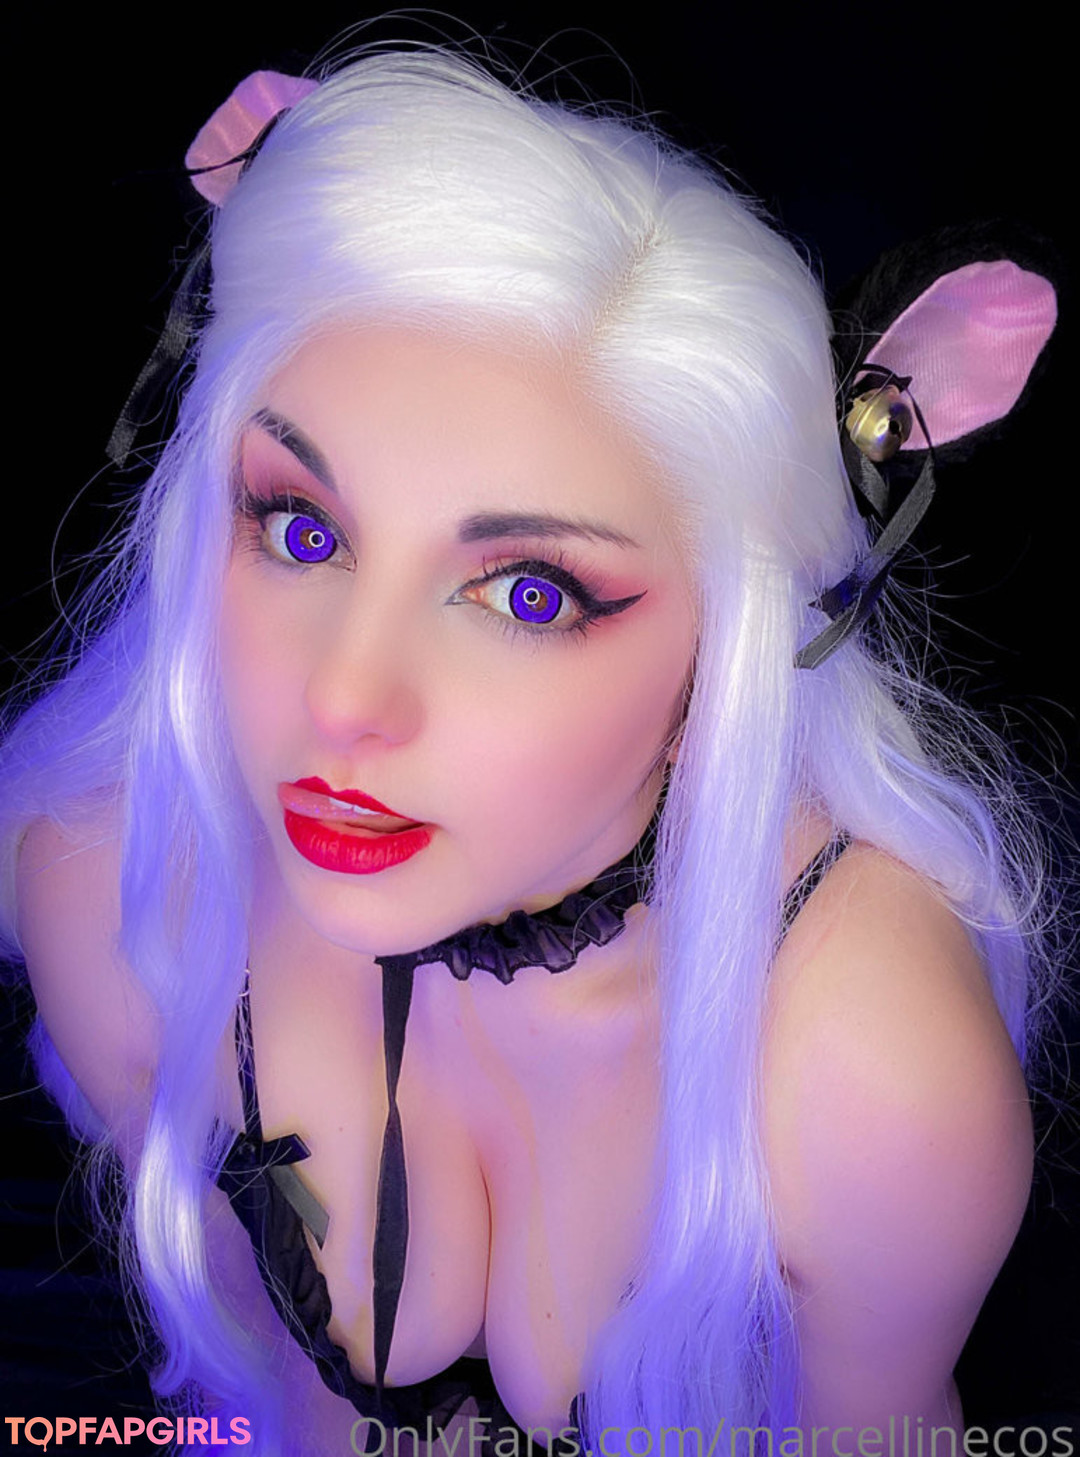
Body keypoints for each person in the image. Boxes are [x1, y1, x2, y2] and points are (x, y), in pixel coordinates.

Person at [0, 44, 1063, 1457]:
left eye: (529, 596)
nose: (346, 697)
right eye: (302, 531)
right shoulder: (113, 883)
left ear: (730, 646)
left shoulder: (870, 1077)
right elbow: (245, 1387)